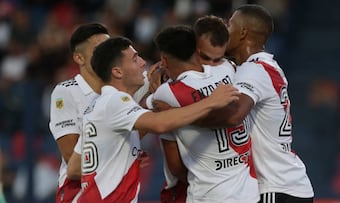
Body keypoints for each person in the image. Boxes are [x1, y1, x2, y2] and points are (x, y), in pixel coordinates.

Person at [76, 36, 240, 202]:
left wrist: (123, 158)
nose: (142, 63)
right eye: (135, 59)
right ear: (117, 72)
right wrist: (211, 102)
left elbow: (76, 166)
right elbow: (160, 124)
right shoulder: (115, 101)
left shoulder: (100, 105)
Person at [153, 25, 259, 203]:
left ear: (164, 60)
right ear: (197, 50)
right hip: (248, 192)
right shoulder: (227, 69)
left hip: (208, 194)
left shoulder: (166, 94)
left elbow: (176, 167)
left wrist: (152, 90)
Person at [225, 4, 314, 202]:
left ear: (243, 33)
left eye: (230, 25)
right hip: (288, 184)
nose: (225, 30)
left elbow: (234, 114)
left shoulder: (253, 70)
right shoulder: (266, 66)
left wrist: (191, 112)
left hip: (275, 186)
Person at [157, 15, 234, 203]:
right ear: (193, 48)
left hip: (199, 185)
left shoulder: (166, 94)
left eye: (218, 60)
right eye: (206, 58)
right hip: (205, 184)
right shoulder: (229, 70)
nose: (211, 66)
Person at [49, 23, 110, 203]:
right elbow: (71, 158)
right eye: (99, 49)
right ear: (79, 58)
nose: (106, 55)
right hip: (78, 191)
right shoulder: (66, 92)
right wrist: (120, 163)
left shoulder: (119, 90)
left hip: (113, 188)